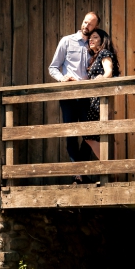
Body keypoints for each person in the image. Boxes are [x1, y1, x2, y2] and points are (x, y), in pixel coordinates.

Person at [48, 12, 99, 164]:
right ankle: (78, 174)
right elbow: (53, 68)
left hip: (87, 97)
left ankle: (79, 174)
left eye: (90, 24)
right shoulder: (67, 41)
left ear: (95, 27)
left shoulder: (94, 44)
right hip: (68, 95)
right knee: (71, 135)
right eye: (85, 22)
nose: (86, 26)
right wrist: (62, 78)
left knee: (89, 135)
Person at [82, 28, 121, 163]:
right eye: (90, 38)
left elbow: (108, 72)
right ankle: (112, 166)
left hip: (100, 100)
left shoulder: (104, 53)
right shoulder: (95, 57)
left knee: (89, 136)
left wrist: (100, 79)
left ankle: (109, 165)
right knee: (100, 135)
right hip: (95, 100)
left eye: (95, 38)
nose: (91, 40)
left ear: (102, 41)